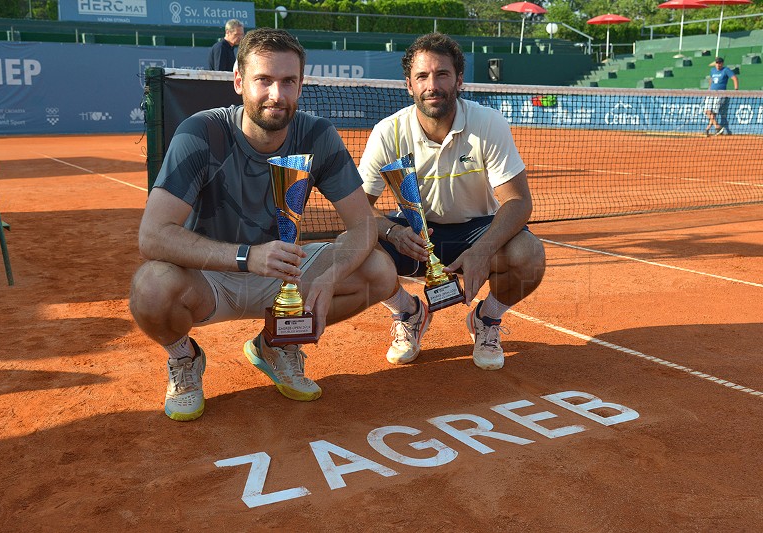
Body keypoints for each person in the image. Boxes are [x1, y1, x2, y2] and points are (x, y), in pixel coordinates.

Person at [130, 28, 397, 421]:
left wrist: (326, 274)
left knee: (378, 271)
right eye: (264, 80)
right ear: (239, 82)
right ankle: (185, 359)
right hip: (210, 276)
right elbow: (152, 235)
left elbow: (362, 226)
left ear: (301, 85)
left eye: (288, 81)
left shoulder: (317, 134)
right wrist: (246, 256)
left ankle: (276, 344)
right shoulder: (200, 132)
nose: (277, 94)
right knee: (150, 288)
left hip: (285, 273)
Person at [358, 32, 546, 371]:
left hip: (477, 228)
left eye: (442, 74)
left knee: (529, 255)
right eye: (422, 76)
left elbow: (518, 202)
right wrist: (393, 233)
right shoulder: (388, 132)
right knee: (353, 250)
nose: (433, 84)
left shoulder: (488, 123)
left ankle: (486, 320)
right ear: (409, 85)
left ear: (459, 80)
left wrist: (482, 250)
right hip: (413, 234)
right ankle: (408, 313)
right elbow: (357, 210)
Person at [704, 57, 739, 136]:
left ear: (722, 63)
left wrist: (736, 89)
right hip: (711, 93)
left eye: (720, 63)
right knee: (707, 111)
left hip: (720, 93)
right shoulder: (712, 70)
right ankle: (717, 127)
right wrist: (708, 89)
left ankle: (709, 128)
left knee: (714, 112)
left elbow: (735, 78)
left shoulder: (726, 70)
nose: (718, 64)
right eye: (717, 63)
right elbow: (711, 80)